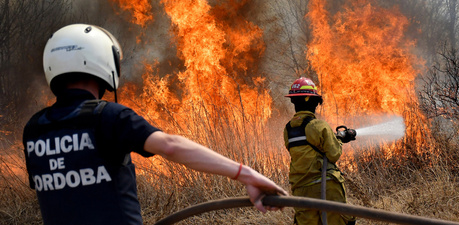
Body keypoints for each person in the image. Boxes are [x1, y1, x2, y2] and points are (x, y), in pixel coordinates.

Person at [23, 24, 287, 225]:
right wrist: (247, 174)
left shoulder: (34, 129)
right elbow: (170, 146)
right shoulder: (109, 117)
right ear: (104, 61)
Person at [284, 77, 356, 225]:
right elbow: (333, 153)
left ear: (293, 101)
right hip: (326, 185)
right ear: (313, 102)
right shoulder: (319, 126)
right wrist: (340, 140)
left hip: (301, 189)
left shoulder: (288, 129)